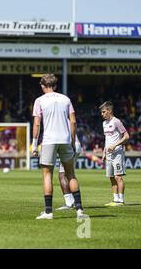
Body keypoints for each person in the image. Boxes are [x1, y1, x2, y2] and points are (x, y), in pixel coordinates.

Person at [31, 74, 87, 220]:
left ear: (43, 86)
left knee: (47, 175)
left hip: (49, 140)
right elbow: (73, 122)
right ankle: (80, 210)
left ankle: (48, 212)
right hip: (65, 139)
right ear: (55, 86)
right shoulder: (65, 99)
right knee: (71, 174)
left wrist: (34, 144)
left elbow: (37, 123)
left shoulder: (39, 100)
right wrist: (73, 141)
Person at [100, 101, 130, 206]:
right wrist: (104, 152)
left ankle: (121, 200)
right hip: (108, 154)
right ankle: (115, 199)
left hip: (117, 153)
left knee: (118, 177)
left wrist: (115, 145)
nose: (102, 114)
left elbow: (126, 136)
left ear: (109, 111)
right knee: (111, 176)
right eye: (101, 112)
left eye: (104, 112)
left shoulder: (117, 121)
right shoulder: (104, 123)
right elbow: (107, 139)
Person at [56, 135, 81, 210]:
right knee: (69, 174)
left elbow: (73, 123)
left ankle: (69, 203)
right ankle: (74, 201)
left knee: (63, 175)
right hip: (74, 144)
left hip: (69, 145)